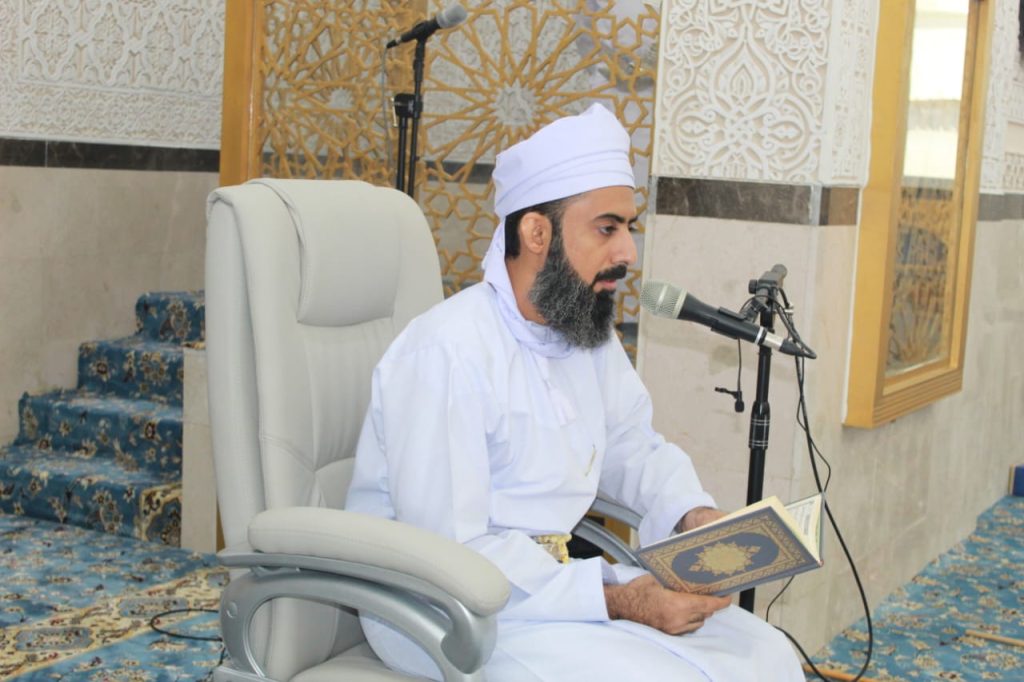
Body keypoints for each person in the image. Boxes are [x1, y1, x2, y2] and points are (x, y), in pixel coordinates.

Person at [345, 103, 803, 681]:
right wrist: (622, 598)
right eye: (607, 229)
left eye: (628, 228)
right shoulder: (447, 352)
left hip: (554, 588)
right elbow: (454, 552)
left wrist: (691, 515)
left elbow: (630, 445)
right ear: (537, 232)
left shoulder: (583, 332)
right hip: (449, 613)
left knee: (765, 653)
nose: (628, 252)